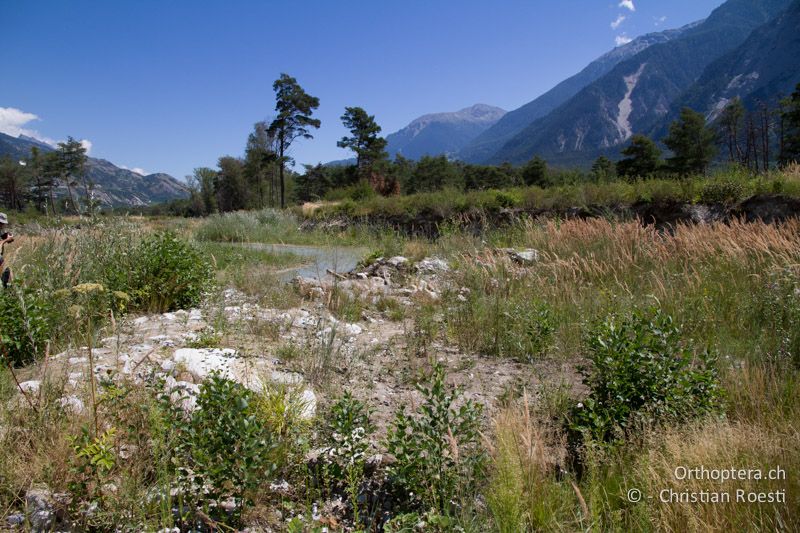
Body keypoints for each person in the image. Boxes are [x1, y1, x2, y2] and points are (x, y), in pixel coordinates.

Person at [0, 212, 14, 288]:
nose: (2, 225)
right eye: (1, 223)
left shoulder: (0, 229)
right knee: (6, 271)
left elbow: (2, 238)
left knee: (6, 273)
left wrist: (8, 237)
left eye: (2, 223)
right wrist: (7, 239)